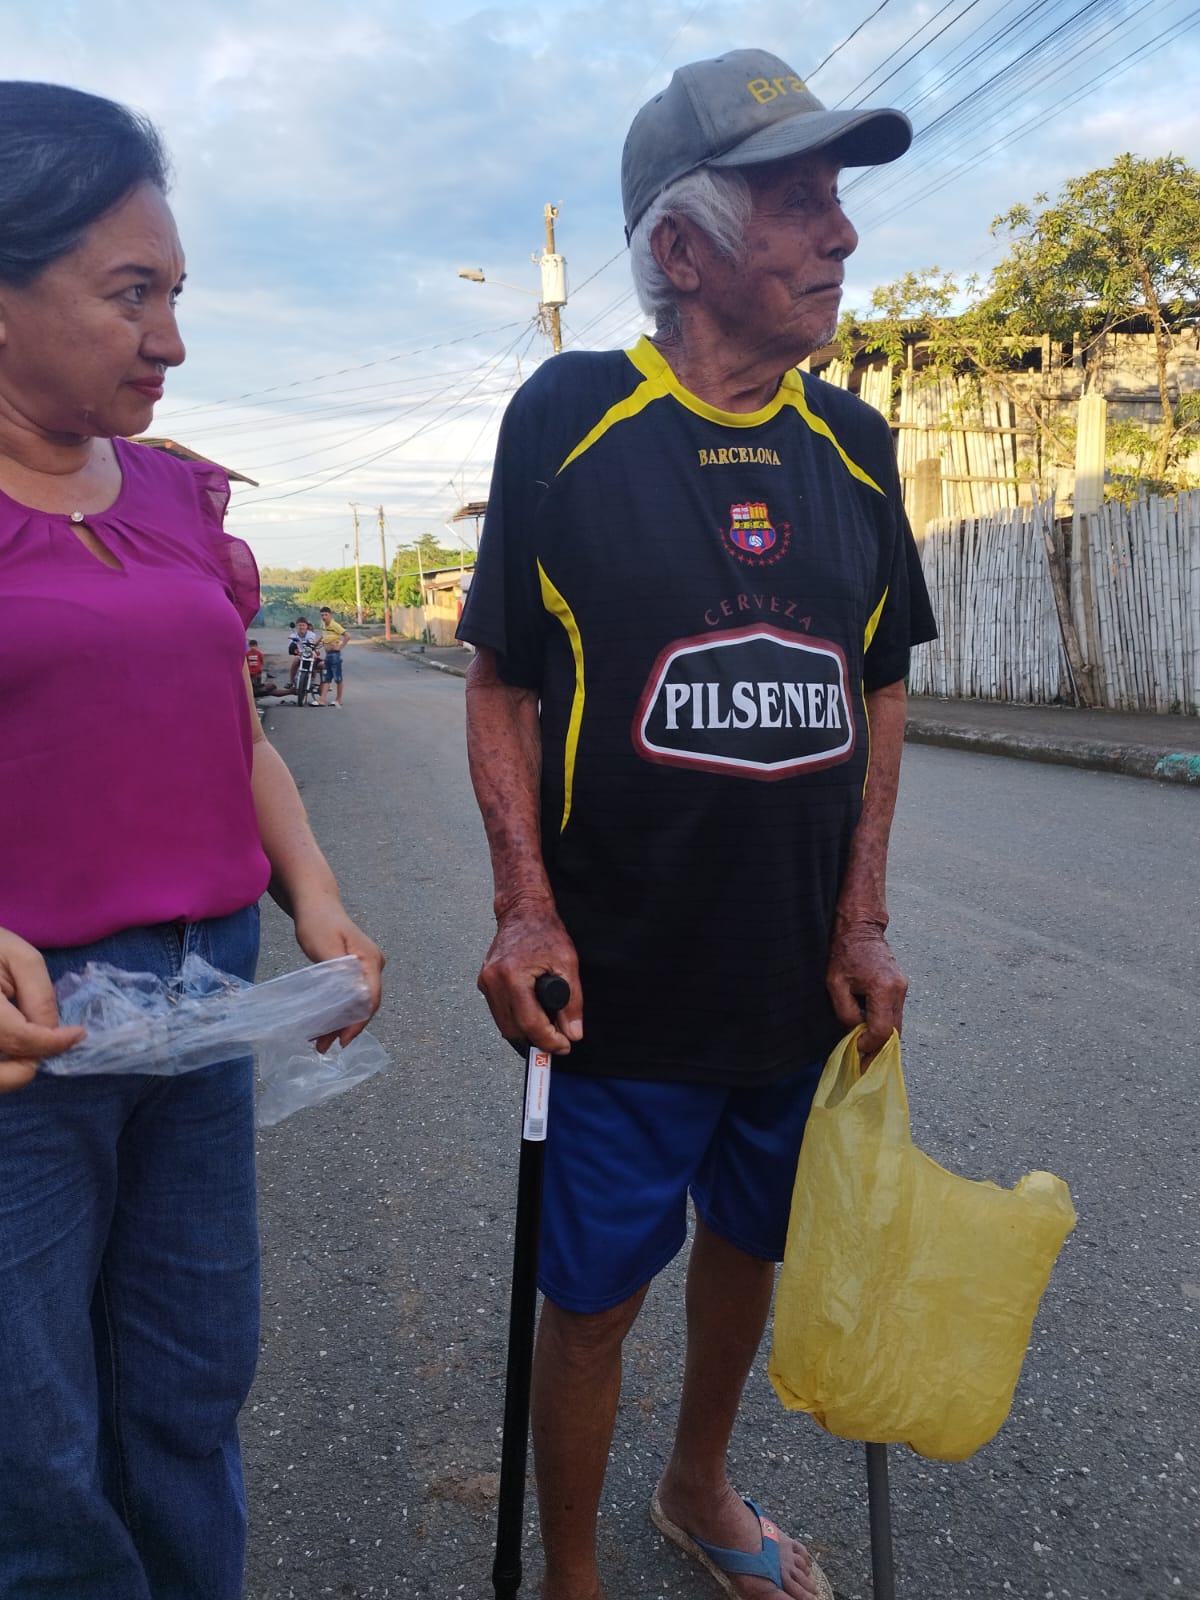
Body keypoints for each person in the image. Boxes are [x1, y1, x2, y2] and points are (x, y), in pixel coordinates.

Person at [457, 48, 935, 1600]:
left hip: (794, 981)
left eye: (837, 200)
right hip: (616, 991)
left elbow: (879, 687)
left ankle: (697, 1485)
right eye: (798, 203)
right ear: (680, 247)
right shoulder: (572, 419)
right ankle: (574, 1575)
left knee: (753, 1242)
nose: (841, 234)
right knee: (594, 1298)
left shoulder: (855, 446)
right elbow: (503, 684)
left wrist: (862, 918)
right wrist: (524, 905)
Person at [0, 83, 384, 1600]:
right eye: (130, 294)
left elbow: (239, 736)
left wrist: (319, 899)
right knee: (28, 1431)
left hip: (207, 987)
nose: (169, 339)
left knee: (189, 1370)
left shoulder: (172, 497)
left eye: (177, 294)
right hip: (26, 1031)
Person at [317, 604, 348, 706]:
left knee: (338, 678)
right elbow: (323, 636)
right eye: (322, 615)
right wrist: (315, 644)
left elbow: (347, 636)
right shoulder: (324, 625)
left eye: (326, 615)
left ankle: (338, 700)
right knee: (326, 678)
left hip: (335, 655)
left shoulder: (335, 625)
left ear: (330, 615)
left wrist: (341, 646)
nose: (324, 617)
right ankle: (322, 700)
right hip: (328, 655)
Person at [288, 614, 318, 686]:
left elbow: (311, 641)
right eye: (299, 625)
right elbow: (291, 646)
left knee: (314, 661)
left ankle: (313, 680)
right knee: (295, 660)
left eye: (303, 625)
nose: (301, 627)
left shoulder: (311, 634)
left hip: (309, 652)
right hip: (299, 653)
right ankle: (291, 680)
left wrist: (309, 642)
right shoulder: (293, 635)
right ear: (296, 626)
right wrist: (296, 651)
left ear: (307, 626)